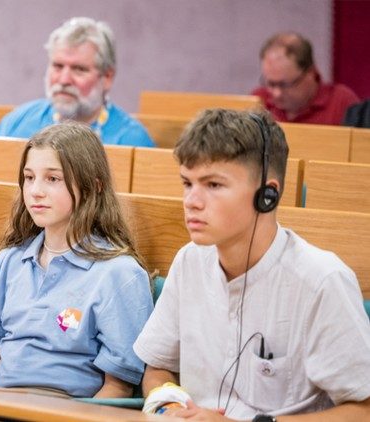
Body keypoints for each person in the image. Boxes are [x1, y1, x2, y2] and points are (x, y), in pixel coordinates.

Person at [133, 109, 370, 420]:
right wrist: (170, 406)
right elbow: (158, 365)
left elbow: (362, 409)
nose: (191, 200)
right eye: (187, 183)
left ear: (267, 195)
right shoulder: (189, 261)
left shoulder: (322, 280)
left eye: (213, 185)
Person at [0, 123, 153, 398]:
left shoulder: (120, 274)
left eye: (52, 179)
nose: (35, 191)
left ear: (93, 186)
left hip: (68, 409)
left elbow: (118, 388)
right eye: (29, 178)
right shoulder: (7, 262)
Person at [0, 17, 154, 179]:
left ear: (107, 77)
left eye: (79, 69)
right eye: (58, 66)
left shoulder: (132, 139)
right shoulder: (18, 121)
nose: (64, 79)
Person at [251, 32, 359, 125]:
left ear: (311, 73)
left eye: (285, 85)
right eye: (270, 83)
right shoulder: (257, 100)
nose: (276, 93)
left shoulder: (341, 102)